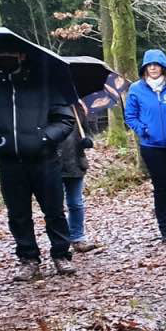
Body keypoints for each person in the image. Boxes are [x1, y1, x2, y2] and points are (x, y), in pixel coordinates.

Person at [0, 48, 77, 280]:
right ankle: (28, 259)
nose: (6, 57)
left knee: (54, 211)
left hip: (44, 160)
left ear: (23, 56)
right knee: (18, 214)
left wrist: (43, 137)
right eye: (2, 54)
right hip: (8, 161)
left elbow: (65, 120)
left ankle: (61, 255)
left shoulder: (44, 83)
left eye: (12, 53)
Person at [124, 49, 166, 244]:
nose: (153, 68)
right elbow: (130, 115)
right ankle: (165, 229)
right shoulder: (136, 89)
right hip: (151, 146)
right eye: (149, 65)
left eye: (156, 64)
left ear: (164, 67)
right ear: (144, 68)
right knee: (161, 187)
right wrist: (143, 130)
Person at [57, 106, 101, 252]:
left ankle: (77, 238)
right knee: (55, 207)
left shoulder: (77, 108)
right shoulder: (44, 107)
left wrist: (88, 140)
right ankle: (60, 242)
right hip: (52, 164)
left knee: (76, 203)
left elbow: (89, 132)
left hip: (75, 162)